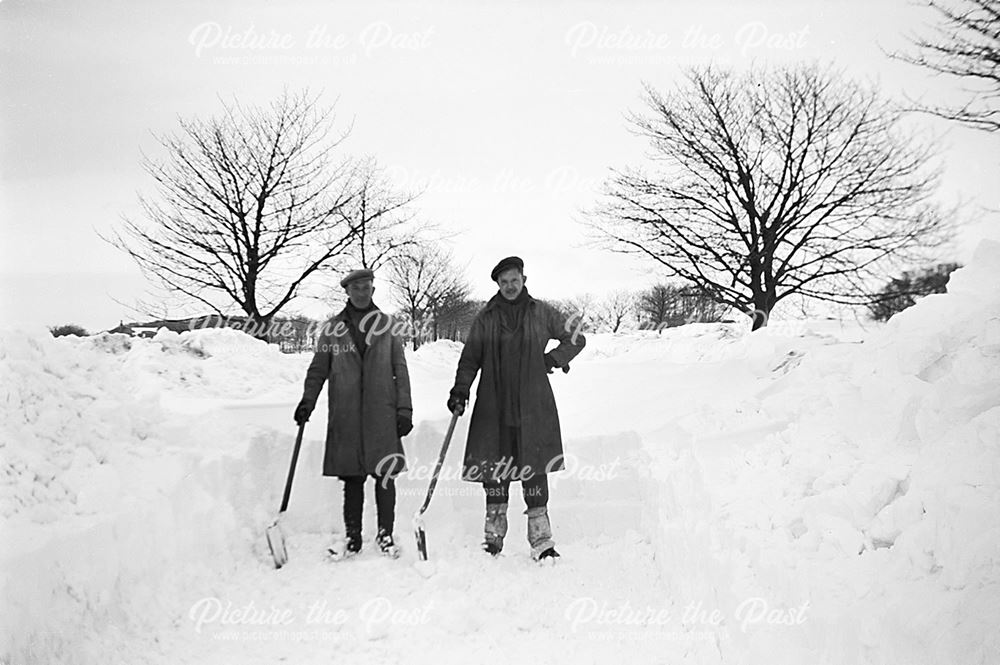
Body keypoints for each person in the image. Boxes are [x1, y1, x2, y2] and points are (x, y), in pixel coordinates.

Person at [447, 256, 586, 561]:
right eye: (503, 282)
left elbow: (576, 338)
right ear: (497, 285)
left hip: (532, 405)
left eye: (514, 280)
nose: (510, 286)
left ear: (524, 280)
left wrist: (552, 360)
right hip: (493, 406)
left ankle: (542, 541)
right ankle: (493, 538)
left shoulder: (542, 313)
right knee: (495, 471)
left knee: (534, 468)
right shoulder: (486, 318)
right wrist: (461, 389)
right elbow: (470, 359)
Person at [294, 268, 413, 557]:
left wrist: (404, 409)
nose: (362, 291)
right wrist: (307, 401)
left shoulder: (387, 325)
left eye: (367, 287)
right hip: (346, 414)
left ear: (373, 290)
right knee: (352, 478)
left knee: (385, 476)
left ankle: (385, 535)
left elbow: (400, 369)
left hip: (381, 413)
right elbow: (318, 369)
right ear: (347, 291)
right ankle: (353, 537)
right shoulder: (332, 328)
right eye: (356, 287)